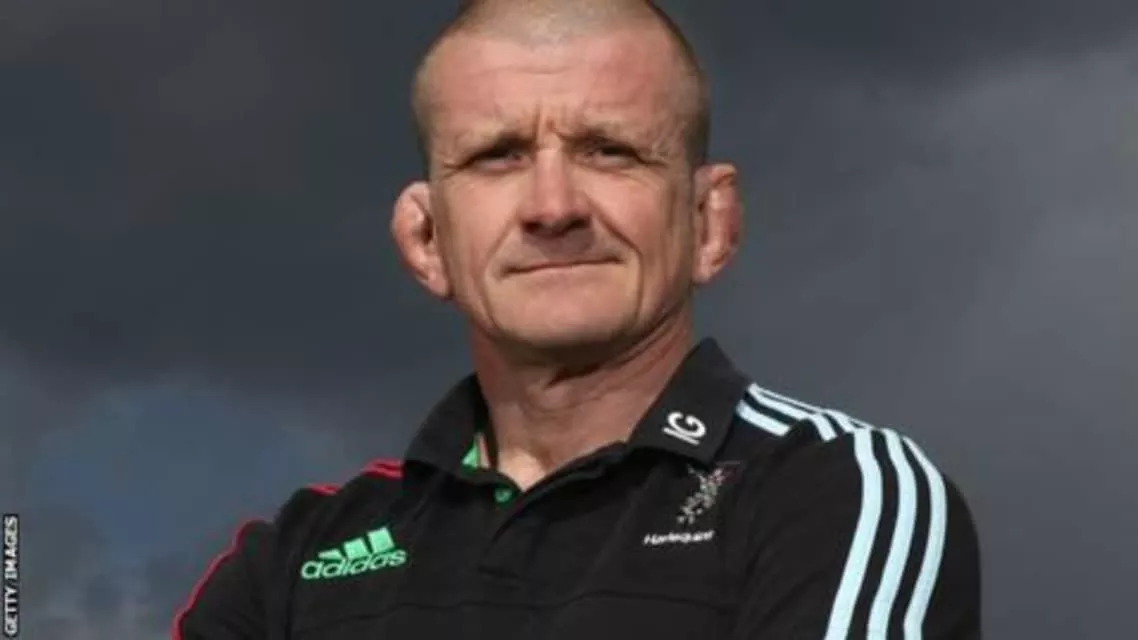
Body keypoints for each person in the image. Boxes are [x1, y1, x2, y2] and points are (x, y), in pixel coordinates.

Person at [173, 0, 981, 638]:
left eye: (609, 151)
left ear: (710, 222)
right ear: (426, 240)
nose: (553, 207)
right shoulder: (294, 559)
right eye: (497, 156)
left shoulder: (838, 488)